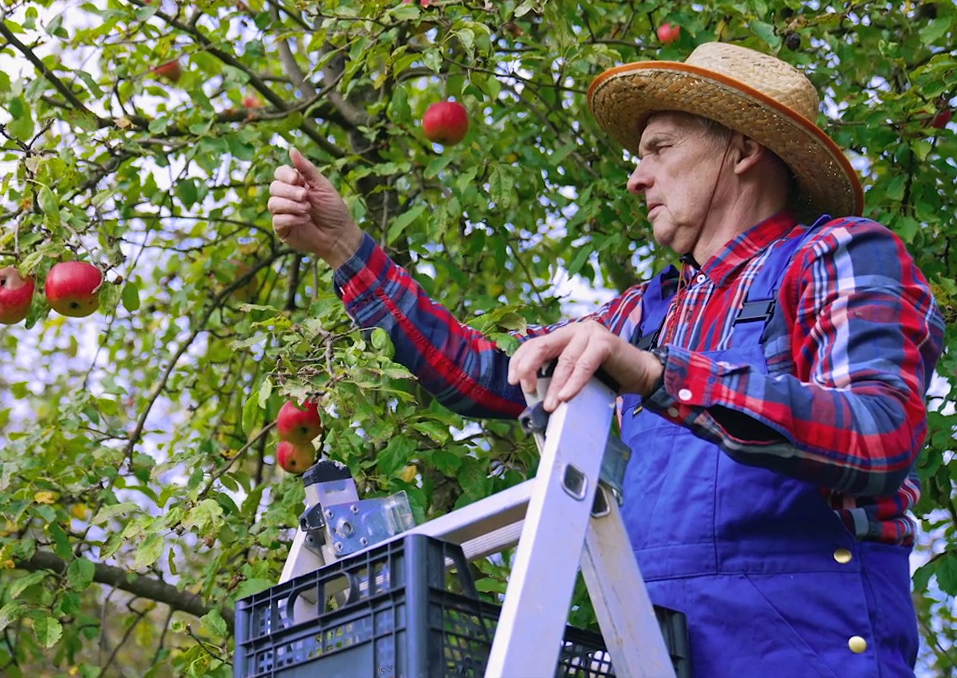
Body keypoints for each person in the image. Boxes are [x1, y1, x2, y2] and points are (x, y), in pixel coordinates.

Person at [266, 42, 945, 677]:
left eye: (658, 148)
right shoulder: (644, 312)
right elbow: (492, 372)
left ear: (741, 148)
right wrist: (348, 250)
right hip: (656, 651)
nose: (635, 178)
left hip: (810, 655)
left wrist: (657, 376)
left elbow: (878, 435)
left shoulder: (837, 254)